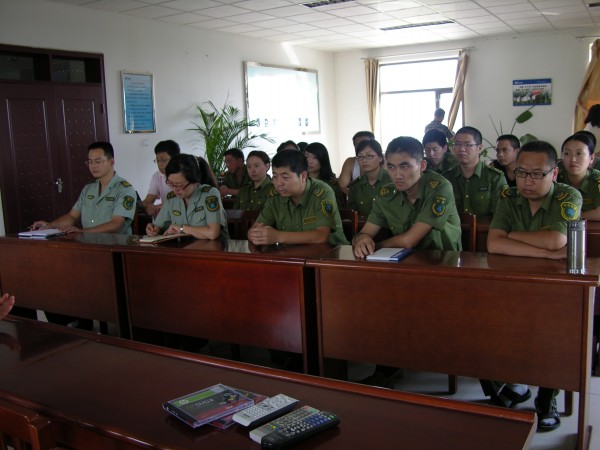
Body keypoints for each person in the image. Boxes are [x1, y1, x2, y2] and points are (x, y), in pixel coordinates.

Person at [487, 140, 582, 431]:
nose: (527, 181)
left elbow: (557, 240)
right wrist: (544, 253)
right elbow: (493, 244)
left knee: (555, 334)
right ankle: (513, 384)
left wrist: (511, 237)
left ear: (554, 173)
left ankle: (546, 397)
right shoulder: (509, 196)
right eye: (521, 172)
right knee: (487, 325)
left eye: (537, 174)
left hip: (556, 287)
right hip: (512, 283)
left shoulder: (568, 195)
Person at [353, 136, 462, 259]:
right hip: (403, 260)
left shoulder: (440, 188)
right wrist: (362, 239)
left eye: (404, 166)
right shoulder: (386, 194)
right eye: (391, 167)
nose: (397, 175)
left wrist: (374, 247)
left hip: (442, 261)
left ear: (422, 165)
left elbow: (409, 241)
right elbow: (365, 232)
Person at [248, 150, 348, 246]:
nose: (278, 183)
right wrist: (254, 234)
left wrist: (278, 236)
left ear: (303, 176)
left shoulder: (322, 192)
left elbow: (322, 236)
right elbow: (256, 229)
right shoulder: (275, 196)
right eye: (275, 176)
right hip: (291, 254)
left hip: (332, 252)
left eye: (285, 177)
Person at [32, 141, 136, 234]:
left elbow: (116, 224)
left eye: (98, 161)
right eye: (90, 162)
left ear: (112, 162)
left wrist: (82, 232)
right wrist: (50, 225)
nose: (93, 166)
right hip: (88, 244)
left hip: (114, 245)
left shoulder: (125, 189)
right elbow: (72, 216)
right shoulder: (88, 189)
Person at [146, 154, 228, 240]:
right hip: (182, 247)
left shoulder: (210, 194)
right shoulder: (172, 198)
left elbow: (213, 233)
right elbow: (158, 225)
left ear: (194, 180)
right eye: (170, 183)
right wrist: (153, 229)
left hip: (212, 247)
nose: (175, 189)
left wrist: (182, 229)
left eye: (179, 185)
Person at [444, 126, 508, 218]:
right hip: (454, 227)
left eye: (468, 145)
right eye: (457, 144)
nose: (461, 149)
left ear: (479, 148)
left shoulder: (495, 177)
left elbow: (502, 216)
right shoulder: (446, 178)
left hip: (487, 227)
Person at [558, 133, 600, 220]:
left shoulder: (597, 179)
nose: (573, 159)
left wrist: (575, 217)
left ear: (591, 158)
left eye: (579, 153)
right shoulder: (555, 178)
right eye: (567, 153)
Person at [348, 139, 391, 220]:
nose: (364, 160)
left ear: (380, 158)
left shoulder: (392, 181)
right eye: (360, 157)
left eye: (369, 156)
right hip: (363, 226)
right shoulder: (356, 186)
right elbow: (353, 216)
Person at [142, 140, 180, 216]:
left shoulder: (184, 175)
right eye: (158, 160)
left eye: (164, 160)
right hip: (167, 216)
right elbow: (149, 200)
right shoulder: (157, 176)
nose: (160, 164)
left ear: (175, 159)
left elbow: (182, 201)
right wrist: (137, 205)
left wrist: (157, 207)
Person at [304, 142, 346, 208]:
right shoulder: (300, 181)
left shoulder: (331, 184)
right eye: (307, 157)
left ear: (323, 159)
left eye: (315, 157)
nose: (310, 161)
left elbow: (339, 209)